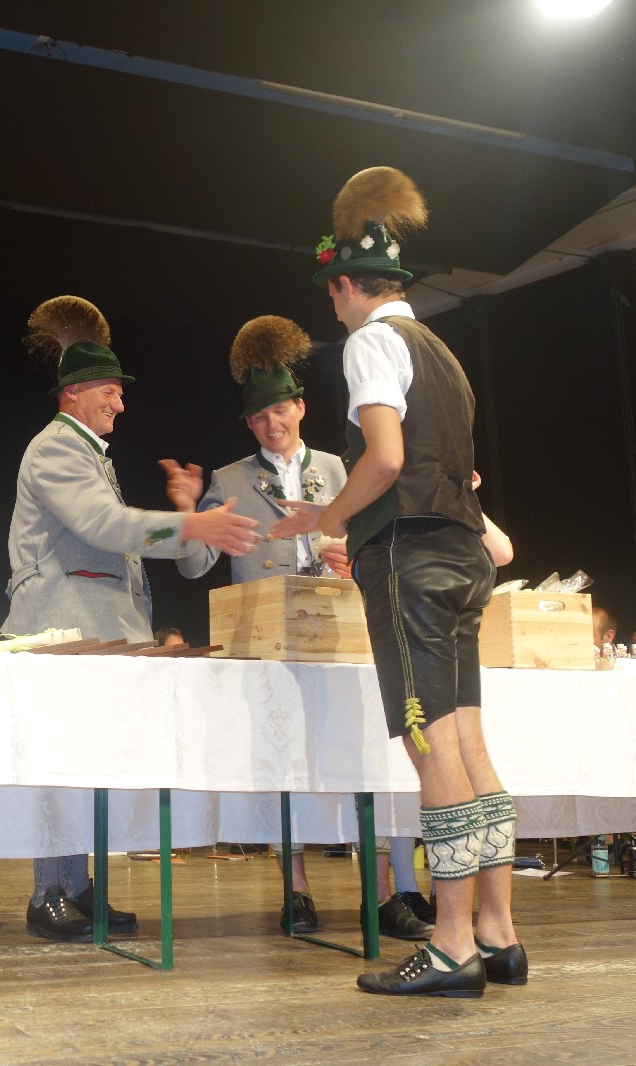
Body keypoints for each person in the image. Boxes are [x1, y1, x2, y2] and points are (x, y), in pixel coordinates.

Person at [276, 167, 523, 996]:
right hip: (461, 556)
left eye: (333, 295)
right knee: (471, 745)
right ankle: (499, 933)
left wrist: (328, 517)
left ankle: (450, 945)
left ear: (346, 286)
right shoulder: (443, 354)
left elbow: (383, 459)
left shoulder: (371, 343)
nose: (334, 310)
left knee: (432, 748)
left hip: (410, 560)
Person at [4, 295, 261, 940]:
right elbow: (105, 525)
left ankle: (79, 887)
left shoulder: (87, 452)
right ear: (75, 393)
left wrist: (186, 518)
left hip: (93, 630)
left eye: (120, 393)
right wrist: (190, 525)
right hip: (63, 627)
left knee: (88, 761)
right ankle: (48, 893)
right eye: (110, 392)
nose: (120, 404)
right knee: (63, 762)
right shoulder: (56, 449)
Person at [173, 314, 433, 941]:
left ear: (301, 407)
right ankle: (296, 890)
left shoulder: (343, 469)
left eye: (280, 410)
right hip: (267, 645)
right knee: (281, 763)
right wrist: (187, 514)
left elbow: (377, 546)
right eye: (260, 416)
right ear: (249, 424)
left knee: (364, 759)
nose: (273, 424)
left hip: (342, 636)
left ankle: (382, 894)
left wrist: (351, 556)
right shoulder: (230, 480)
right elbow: (194, 566)